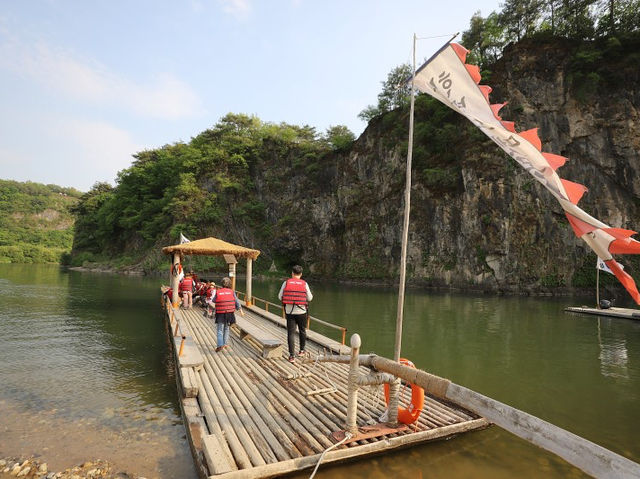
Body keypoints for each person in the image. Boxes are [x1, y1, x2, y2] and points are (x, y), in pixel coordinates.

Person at [279, 265, 313, 362]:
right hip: (302, 312)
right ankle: (302, 350)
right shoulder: (304, 284)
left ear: (292, 273)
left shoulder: (286, 283)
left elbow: (279, 296)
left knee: (291, 333)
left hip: (290, 312)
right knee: (302, 330)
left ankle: (291, 356)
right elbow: (310, 298)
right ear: (301, 274)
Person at [210, 277, 243, 351]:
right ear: (230, 284)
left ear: (222, 284)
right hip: (229, 313)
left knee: (220, 329)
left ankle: (219, 345)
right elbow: (237, 301)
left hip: (221, 313)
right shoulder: (232, 292)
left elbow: (214, 300)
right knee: (226, 328)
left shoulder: (218, 291)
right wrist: (240, 310)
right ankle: (225, 344)